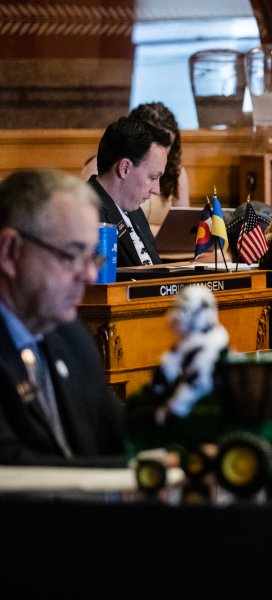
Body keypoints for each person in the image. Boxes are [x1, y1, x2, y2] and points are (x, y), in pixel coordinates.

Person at [0, 169, 126, 466]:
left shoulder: (71, 336)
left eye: (92, 257)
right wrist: (153, 470)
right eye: (72, 255)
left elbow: (116, 430)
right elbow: (14, 469)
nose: (90, 276)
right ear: (10, 252)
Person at [82, 102, 190, 237]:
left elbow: (183, 227)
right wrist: (158, 232)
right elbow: (101, 223)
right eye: (157, 141)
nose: (164, 149)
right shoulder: (103, 170)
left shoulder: (177, 171)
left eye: (169, 143)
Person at [88, 116, 171, 267]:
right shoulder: (86, 213)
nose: (156, 190)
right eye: (153, 177)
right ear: (124, 168)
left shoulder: (134, 210)